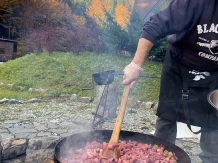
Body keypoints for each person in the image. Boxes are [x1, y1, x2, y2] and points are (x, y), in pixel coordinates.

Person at [122, 0, 218, 163]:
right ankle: (159, 157)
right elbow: (156, 25)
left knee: (213, 124)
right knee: (167, 117)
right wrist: (136, 65)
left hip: (214, 73)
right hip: (178, 66)